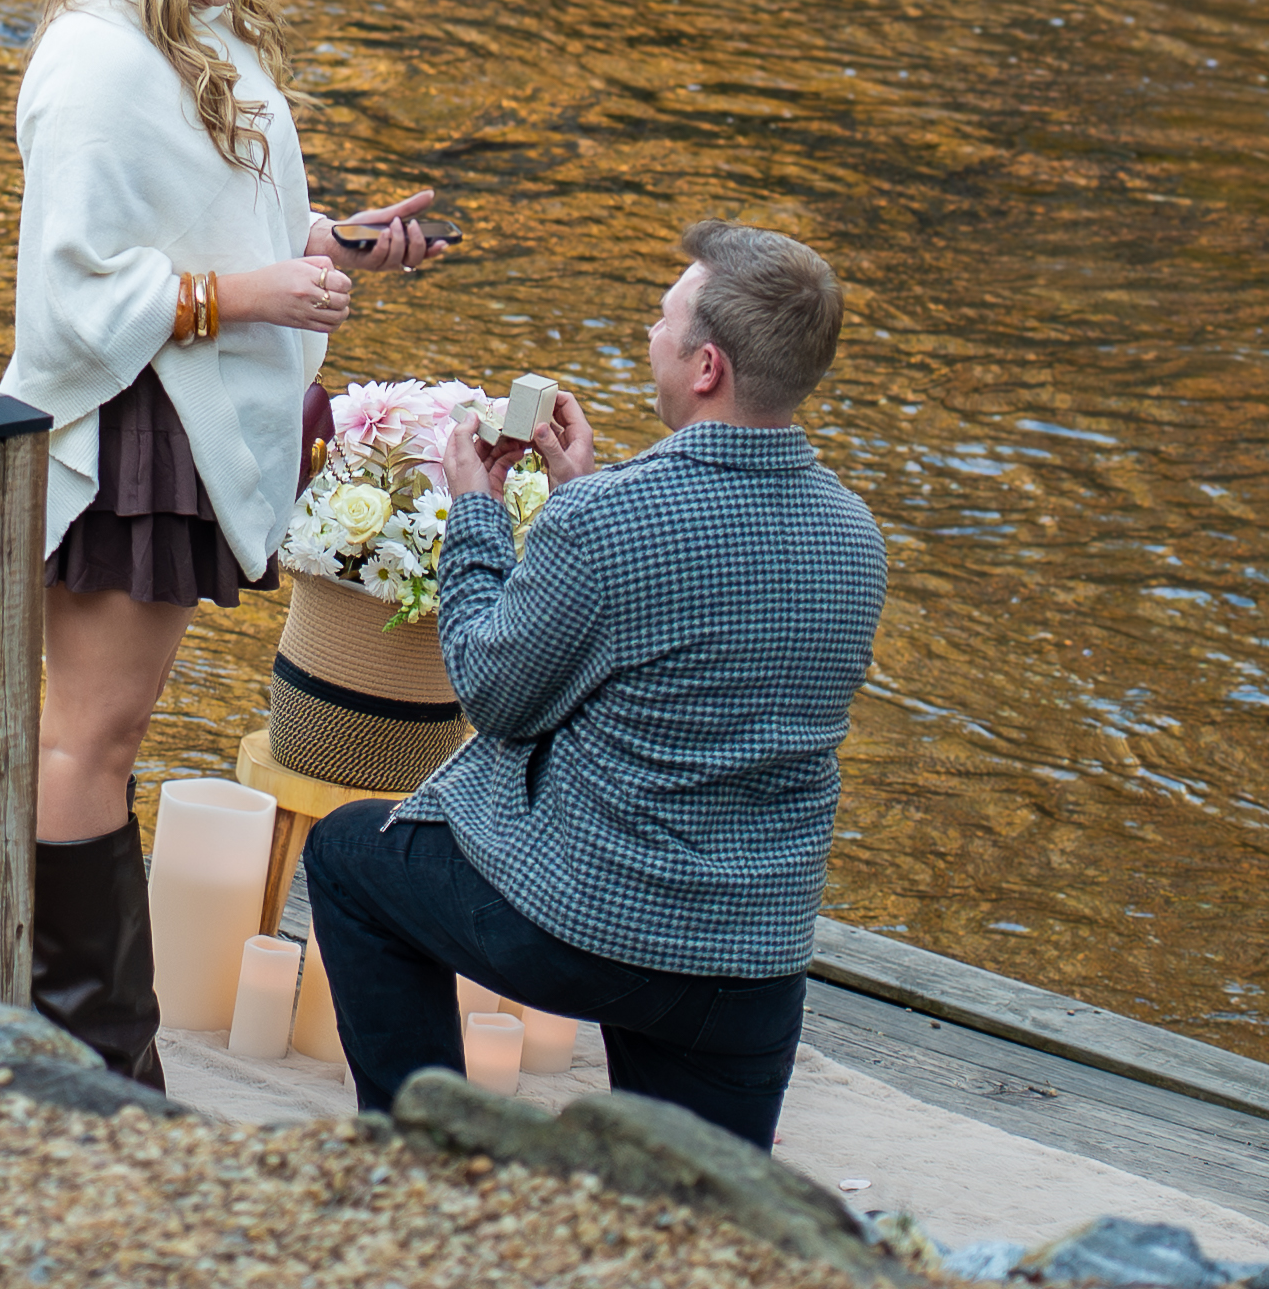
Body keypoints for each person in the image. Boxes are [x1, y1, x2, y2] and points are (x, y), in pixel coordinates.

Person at [3, 0, 449, 1083]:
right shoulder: (92, 62)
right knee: (87, 737)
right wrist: (254, 293)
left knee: (100, 734)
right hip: (128, 428)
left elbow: (203, 220)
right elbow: (74, 291)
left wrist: (330, 244)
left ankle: (87, 1037)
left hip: (175, 419)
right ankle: (90, 1048)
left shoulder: (187, 29)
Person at [297, 219, 887, 1142]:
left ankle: (425, 1163)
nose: (648, 336)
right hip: (752, 963)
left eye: (663, 319)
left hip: (593, 929)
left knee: (348, 856)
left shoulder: (614, 521)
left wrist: (478, 516)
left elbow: (492, 695)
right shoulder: (856, 537)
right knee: (688, 1214)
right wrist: (578, 490)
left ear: (705, 369)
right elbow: (686, 623)